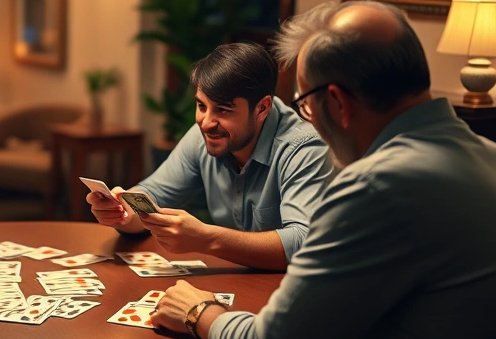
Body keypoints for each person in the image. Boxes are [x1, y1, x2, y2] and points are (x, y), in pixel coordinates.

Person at [151, 0, 496, 339]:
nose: (304, 121)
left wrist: (199, 310)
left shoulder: (375, 187)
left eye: (304, 105)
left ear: (335, 101)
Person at [87, 42, 333, 270]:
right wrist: (123, 213)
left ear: (262, 108)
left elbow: (303, 243)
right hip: (242, 283)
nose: (206, 123)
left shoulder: (304, 147)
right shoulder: (205, 135)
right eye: (202, 106)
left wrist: (205, 239)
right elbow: (153, 194)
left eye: (223, 110)